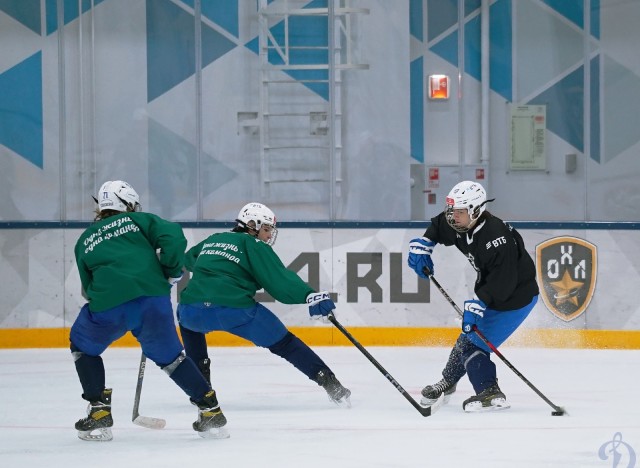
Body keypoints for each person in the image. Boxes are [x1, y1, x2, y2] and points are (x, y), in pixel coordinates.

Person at [70, 180, 228, 441]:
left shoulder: (85, 239)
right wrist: (171, 270)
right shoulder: (140, 220)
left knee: (82, 345)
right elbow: (174, 236)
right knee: (171, 358)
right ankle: (209, 409)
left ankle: (99, 410)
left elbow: (87, 287)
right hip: (152, 300)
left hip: (108, 305)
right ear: (128, 203)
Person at [177, 202, 351, 407]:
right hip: (235, 311)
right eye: (266, 229)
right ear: (252, 225)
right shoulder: (253, 245)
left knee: (188, 326)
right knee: (286, 344)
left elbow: (185, 261)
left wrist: (160, 271)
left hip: (192, 310)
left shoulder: (213, 240)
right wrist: (310, 295)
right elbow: (279, 280)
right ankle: (332, 386)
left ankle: (202, 392)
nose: (269, 236)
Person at [407, 180, 539, 412]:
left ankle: (489, 392)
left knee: (473, 345)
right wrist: (425, 244)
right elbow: (439, 225)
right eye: (452, 211)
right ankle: (447, 383)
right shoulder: (462, 223)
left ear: (476, 211)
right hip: (495, 291)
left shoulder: (496, 238)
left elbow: (504, 282)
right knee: (465, 340)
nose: (452, 217)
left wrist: (479, 303)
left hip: (515, 300)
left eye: (458, 212)